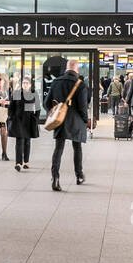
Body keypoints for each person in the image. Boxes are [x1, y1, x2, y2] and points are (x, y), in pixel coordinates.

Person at [45, 59, 90, 192]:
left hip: (60, 120)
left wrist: (53, 112)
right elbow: (83, 106)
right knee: (77, 147)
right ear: (77, 69)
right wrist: (85, 120)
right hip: (76, 121)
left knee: (58, 148)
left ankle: (55, 178)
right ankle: (79, 175)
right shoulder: (80, 84)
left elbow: (47, 103)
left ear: (66, 68)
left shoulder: (56, 82)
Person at [7, 75, 41, 173]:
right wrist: (11, 117)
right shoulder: (17, 93)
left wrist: (36, 118)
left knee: (27, 141)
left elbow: (38, 108)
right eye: (23, 83)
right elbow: (11, 107)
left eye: (27, 83)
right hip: (18, 120)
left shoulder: (34, 93)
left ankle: (26, 161)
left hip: (29, 120)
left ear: (30, 85)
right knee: (19, 141)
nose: (25, 85)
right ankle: (18, 163)